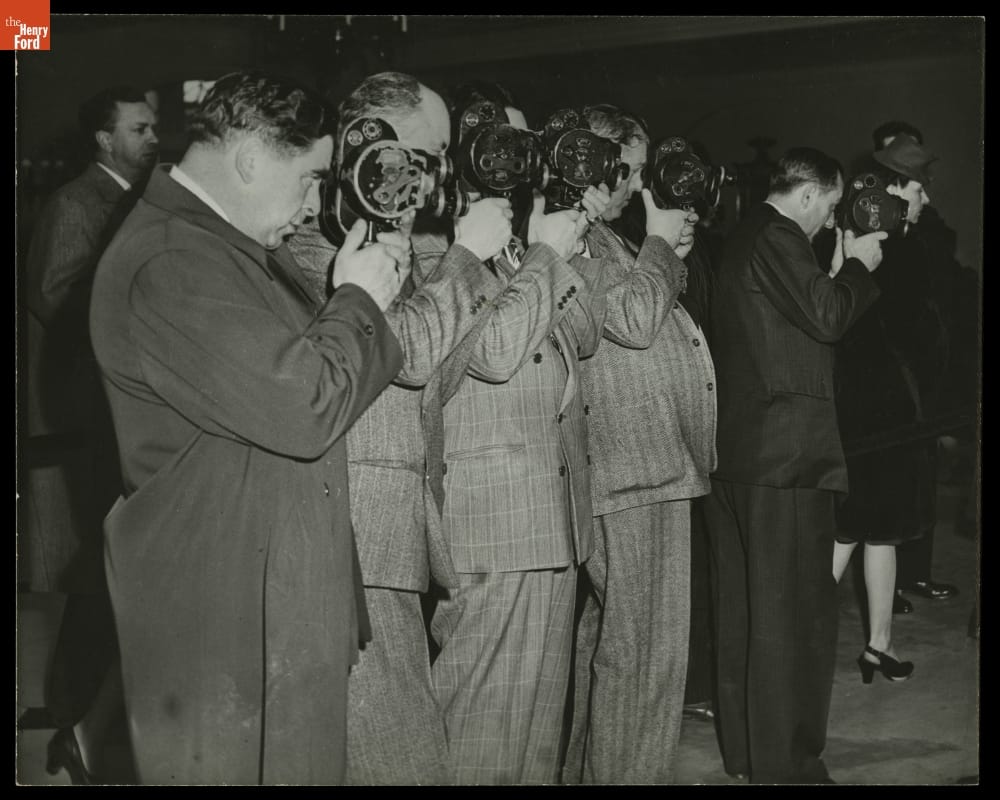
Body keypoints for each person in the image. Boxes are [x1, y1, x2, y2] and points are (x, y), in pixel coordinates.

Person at [88, 71, 407, 785]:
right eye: (310, 179)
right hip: (221, 621)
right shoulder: (171, 259)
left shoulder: (223, 247)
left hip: (270, 604)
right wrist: (358, 298)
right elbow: (306, 407)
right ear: (252, 160)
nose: (315, 204)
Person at [287, 71, 514, 785]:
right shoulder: (320, 246)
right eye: (429, 153)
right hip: (361, 528)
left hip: (395, 528)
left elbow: (443, 376)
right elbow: (407, 358)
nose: (440, 172)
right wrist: (465, 259)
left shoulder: (395, 241)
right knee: (403, 754)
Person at [430, 87, 610, 785]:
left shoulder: (515, 246)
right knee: (481, 734)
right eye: (512, 146)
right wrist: (542, 255)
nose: (526, 160)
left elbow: (585, 335)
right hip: (492, 525)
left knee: (535, 742)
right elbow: (497, 351)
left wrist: (570, 244)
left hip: (549, 517)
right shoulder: (440, 246)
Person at [704, 147, 886, 784]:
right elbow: (829, 318)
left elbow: (796, 324)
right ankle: (788, 767)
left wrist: (832, 274)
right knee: (793, 620)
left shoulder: (745, 234)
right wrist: (858, 268)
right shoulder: (779, 235)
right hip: (785, 463)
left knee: (744, 617)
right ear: (808, 194)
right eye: (830, 206)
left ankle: (750, 755)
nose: (831, 219)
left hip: (743, 458)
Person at [562, 105, 713, 785]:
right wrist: (657, 243)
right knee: (645, 658)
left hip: (635, 467)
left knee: (609, 648)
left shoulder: (595, 234)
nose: (639, 183)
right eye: (631, 169)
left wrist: (664, 253)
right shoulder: (582, 237)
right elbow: (634, 319)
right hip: (633, 469)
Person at [23, 84, 159, 784]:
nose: (153, 139)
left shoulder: (124, 201)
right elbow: (54, 293)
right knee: (91, 580)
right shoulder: (79, 203)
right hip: (84, 420)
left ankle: (77, 721)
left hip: (105, 416)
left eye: (152, 127)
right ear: (104, 139)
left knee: (104, 580)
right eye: (139, 129)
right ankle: (70, 721)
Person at [871, 122, 964, 613]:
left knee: (916, 485)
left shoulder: (923, 233)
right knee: (885, 498)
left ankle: (911, 577)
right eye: (917, 187)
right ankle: (885, 591)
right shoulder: (884, 239)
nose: (925, 196)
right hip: (895, 389)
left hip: (921, 383)